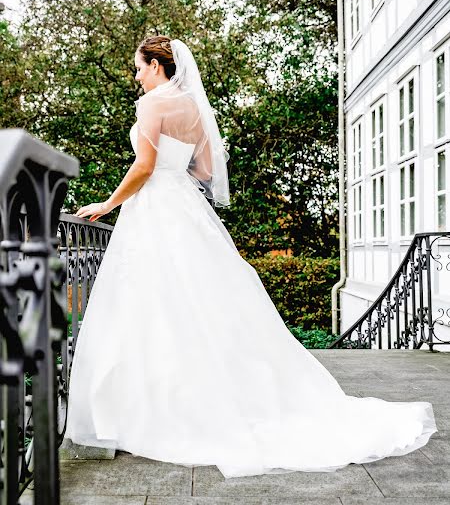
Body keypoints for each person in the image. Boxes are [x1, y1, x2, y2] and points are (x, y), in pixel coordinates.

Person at [65, 35, 438, 479]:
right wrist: (175, 170)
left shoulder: (152, 104)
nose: (136, 75)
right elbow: (203, 171)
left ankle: (151, 407)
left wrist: (106, 205)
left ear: (158, 67)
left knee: (153, 303)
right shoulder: (192, 107)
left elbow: (143, 167)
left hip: (153, 209)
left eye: (139, 67)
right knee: (199, 300)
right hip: (184, 206)